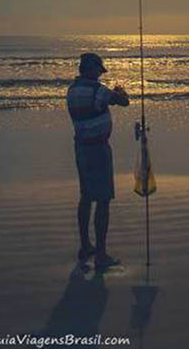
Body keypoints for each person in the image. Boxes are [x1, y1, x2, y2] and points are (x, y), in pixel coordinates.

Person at [66, 52, 130, 271]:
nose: (99, 75)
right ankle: (101, 254)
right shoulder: (98, 90)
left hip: (81, 147)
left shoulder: (71, 90)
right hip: (98, 149)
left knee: (85, 197)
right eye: (98, 71)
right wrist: (120, 90)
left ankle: (85, 246)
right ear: (92, 69)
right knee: (103, 200)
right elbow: (124, 102)